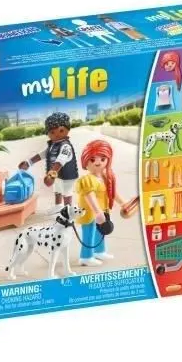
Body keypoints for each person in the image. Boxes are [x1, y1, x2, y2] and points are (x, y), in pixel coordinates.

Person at [75, 139, 130, 267]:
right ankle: (86, 257)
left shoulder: (105, 177)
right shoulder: (87, 180)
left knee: (100, 231)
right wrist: (97, 212)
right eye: (92, 159)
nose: (98, 162)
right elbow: (90, 196)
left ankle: (99, 251)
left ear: (108, 160)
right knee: (89, 233)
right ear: (86, 161)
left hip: (101, 211)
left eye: (102, 159)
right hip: (89, 213)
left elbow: (112, 193)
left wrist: (123, 203)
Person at [19, 112, 79, 214]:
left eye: (61, 130)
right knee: (57, 189)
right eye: (52, 132)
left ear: (67, 129)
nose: (57, 134)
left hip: (67, 174)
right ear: (48, 133)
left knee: (66, 191)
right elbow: (43, 154)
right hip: (57, 174)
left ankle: (68, 210)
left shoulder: (66, 146)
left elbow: (60, 160)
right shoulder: (52, 145)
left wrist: (51, 174)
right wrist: (29, 162)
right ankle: (58, 206)